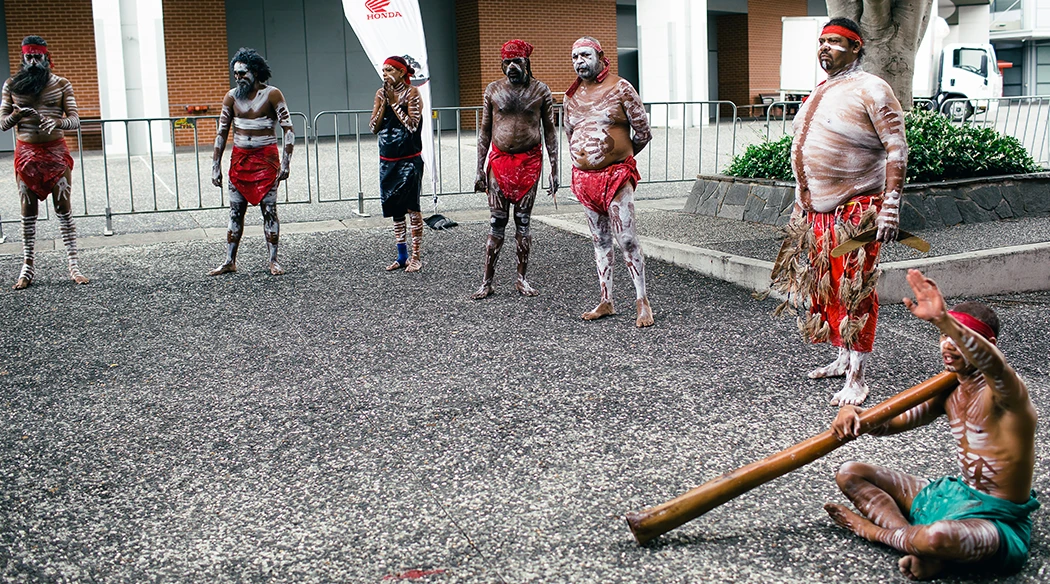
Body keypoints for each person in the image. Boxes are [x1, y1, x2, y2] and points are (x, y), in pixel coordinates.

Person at [825, 268, 1038, 580]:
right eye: (942, 336)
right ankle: (916, 545)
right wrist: (853, 414)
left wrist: (943, 320)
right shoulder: (949, 390)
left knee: (938, 538)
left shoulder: (1008, 394)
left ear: (988, 344)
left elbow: (995, 364)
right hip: (954, 497)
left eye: (958, 338)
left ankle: (875, 532)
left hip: (997, 522)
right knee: (849, 473)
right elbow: (890, 423)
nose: (948, 346)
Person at [770, 18, 907, 405]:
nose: (825, 48)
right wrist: (800, 206)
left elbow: (897, 149)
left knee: (854, 291)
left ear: (856, 47)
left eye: (835, 42)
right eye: (822, 41)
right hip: (817, 213)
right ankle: (843, 359)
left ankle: (858, 379)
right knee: (825, 290)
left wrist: (891, 208)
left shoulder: (873, 88)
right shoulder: (821, 90)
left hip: (857, 207)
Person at [563, 37, 654, 327]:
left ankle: (642, 301)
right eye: (575, 56)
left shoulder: (620, 87)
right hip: (585, 180)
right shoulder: (571, 97)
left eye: (585, 55)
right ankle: (606, 300)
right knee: (600, 240)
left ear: (601, 56)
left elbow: (642, 132)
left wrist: (617, 153)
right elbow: (569, 133)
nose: (580, 61)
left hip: (616, 176)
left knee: (626, 239)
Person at [471, 39, 558, 299]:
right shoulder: (493, 90)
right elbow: (485, 131)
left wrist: (555, 169)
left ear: (527, 63)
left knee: (523, 223)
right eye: (507, 62)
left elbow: (550, 131)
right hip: (499, 163)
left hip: (529, 163)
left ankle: (521, 278)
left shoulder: (541, 91)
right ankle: (487, 281)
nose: (512, 67)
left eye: (517, 61)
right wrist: (478, 169)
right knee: (496, 223)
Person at [0, 36, 87, 289]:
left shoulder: (61, 84)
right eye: (30, 57)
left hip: (55, 152)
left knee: (64, 208)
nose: (34, 62)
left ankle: (74, 264)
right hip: (26, 152)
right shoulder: (12, 85)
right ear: (23, 58)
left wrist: (58, 122)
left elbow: (75, 119)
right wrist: (17, 114)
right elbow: (3, 124)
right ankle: (27, 266)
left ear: (47, 58)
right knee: (28, 212)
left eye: (39, 57)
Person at [210, 47, 294, 276]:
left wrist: (286, 162)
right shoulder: (231, 97)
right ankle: (229, 260)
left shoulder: (272, 94)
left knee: (269, 211)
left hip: (266, 161)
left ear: (255, 72)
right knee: (235, 212)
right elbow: (221, 132)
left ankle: (274, 260)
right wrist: (215, 165)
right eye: (235, 74)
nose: (238, 78)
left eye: (242, 73)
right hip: (240, 161)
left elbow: (288, 130)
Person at [370, 55, 425, 273]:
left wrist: (394, 102)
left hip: (409, 159)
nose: (385, 75)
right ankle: (401, 256)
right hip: (388, 159)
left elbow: (412, 125)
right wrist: (384, 102)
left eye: (390, 70)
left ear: (402, 72)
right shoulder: (380, 93)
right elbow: (373, 127)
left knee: (412, 208)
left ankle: (416, 256)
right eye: (383, 71)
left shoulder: (413, 93)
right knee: (394, 208)